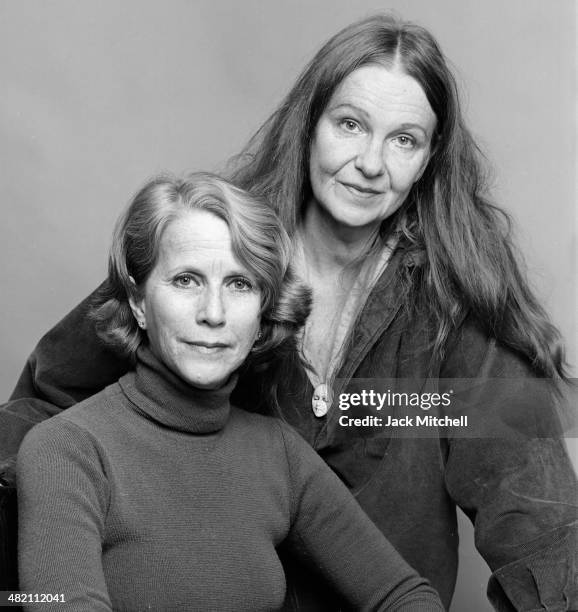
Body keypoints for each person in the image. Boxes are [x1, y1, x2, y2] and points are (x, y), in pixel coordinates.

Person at [1, 13, 576, 611]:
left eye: (404, 139)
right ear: (311, 126)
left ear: (430, 158)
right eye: (350, 124)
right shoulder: (216, 245)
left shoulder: (457, 300)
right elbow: (46, 409)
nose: (371, 163)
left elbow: (538, 519)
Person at [16, 172, 444, 611]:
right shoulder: (66, 449)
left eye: (239, 284)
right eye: (187, 280)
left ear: (264, 311)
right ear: (139, 302)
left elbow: (403, 595)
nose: (213, 313)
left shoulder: (278, 453)